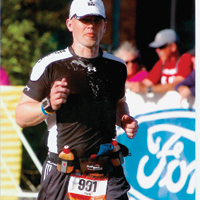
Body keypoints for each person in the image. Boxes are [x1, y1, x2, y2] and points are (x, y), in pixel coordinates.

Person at [15, 0, 139, 199]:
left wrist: (125, 119)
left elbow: (118, 103)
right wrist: (48, 105)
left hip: (107, 171)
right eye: (84, 20)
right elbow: (21, 116)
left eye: (96, 20)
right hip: (63, 169)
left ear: (105, 26)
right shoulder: (50, 65)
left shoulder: (117, 66)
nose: (90, 25)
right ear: (70, 24)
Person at [128, 29, 193, 93]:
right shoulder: (161, 63)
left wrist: (149, 89)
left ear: (173, 47)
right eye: (156, 47)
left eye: (161, 47)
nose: (157, 50)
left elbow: (178, 84)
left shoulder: (185, 59)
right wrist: (134, 85)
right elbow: (146, 83)